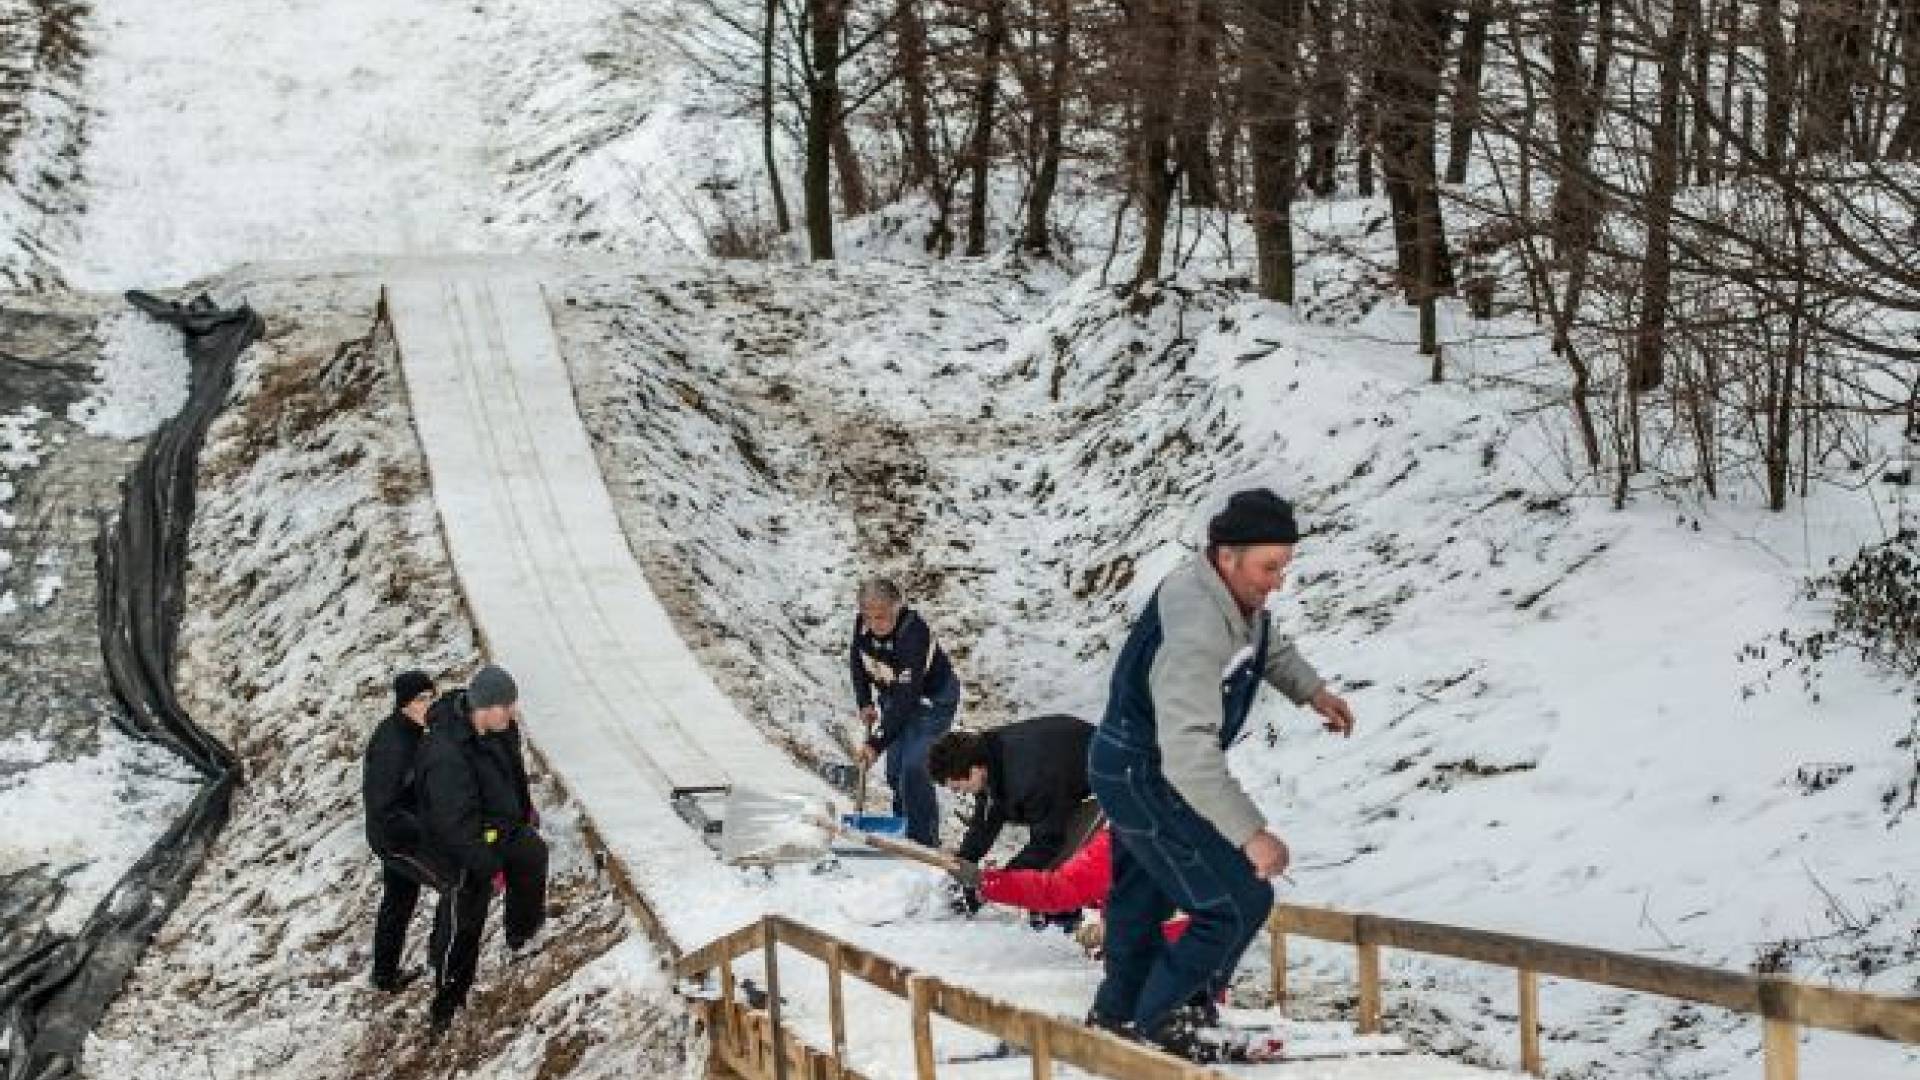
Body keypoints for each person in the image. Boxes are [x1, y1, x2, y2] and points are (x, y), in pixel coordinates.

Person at [1085, 489, 1355, 1063]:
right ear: (1227, 556)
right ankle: (1170, 1020)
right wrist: (1251, 833)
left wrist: (1312, 691)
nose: (1278, 580)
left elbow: (1264, 643)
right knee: (1234, 901)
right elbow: (1187, 756)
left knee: (1141, 900)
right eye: (1269, 567)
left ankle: (1119, 1011)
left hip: (1129, 763)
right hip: (1148, 769)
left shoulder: (1226, 595)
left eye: (1284, 566)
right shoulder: (1197, 627)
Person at [417, 664, 549, 1035]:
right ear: (486, 707)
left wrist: (522, 813)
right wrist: (488, 866)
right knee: (464, 921)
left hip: (501, 830)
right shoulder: (446, 755)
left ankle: (523, 935)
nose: (514, 712)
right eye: (507, 705)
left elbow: (511, 774)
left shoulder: (499, 732)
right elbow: (453, 826)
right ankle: (447, 1002)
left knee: (531, 854)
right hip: (462, 850)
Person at [849, 577, 961, 848]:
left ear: (897, 607)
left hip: (931, 702)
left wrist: (875, 743)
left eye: (883, 617)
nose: (876, 624)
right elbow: (857, 659)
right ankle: (903, 826)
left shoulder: (913, 635)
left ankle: (924, 840)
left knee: (914, 768)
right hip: (895, 698)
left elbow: (907, 698)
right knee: (894, 773)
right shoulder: (863, 626)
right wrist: (865, 701)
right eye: (870, 617)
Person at [361, 669, 447, 992]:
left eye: (431, 697)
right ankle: (443, 967)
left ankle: (384, 975)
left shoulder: (414, 732)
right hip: (397, 837)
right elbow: (385, 804)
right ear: (404, 705)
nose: (429, 704)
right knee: (453, 884)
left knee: (399, 899)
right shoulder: (393, 746)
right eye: (422, 699)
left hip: (399, 832)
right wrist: (424, 831)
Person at [928, 715, 1094, 873]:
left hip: (1107, 781)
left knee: (1064, 864)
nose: (960, 793)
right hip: (1060, 764)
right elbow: (987, 818)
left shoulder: (1028, 780)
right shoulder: (988, 756)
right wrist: (964, 861)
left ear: (974, 771)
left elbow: (1047, 841)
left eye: (957, 787)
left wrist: (1006, 881)